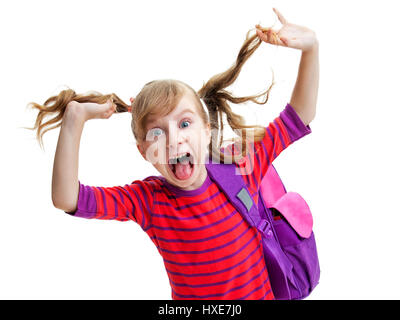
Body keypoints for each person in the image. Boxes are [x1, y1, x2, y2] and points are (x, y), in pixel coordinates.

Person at [26, 8, 319, 300]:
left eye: (185, 123)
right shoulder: (148, 200)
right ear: (144, 152)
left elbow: (297, 118)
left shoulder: (240, 167)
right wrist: (75, 118)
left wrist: (310, 48)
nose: (173, 139)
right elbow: (67, 198)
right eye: (157, 132)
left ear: (206, 130)